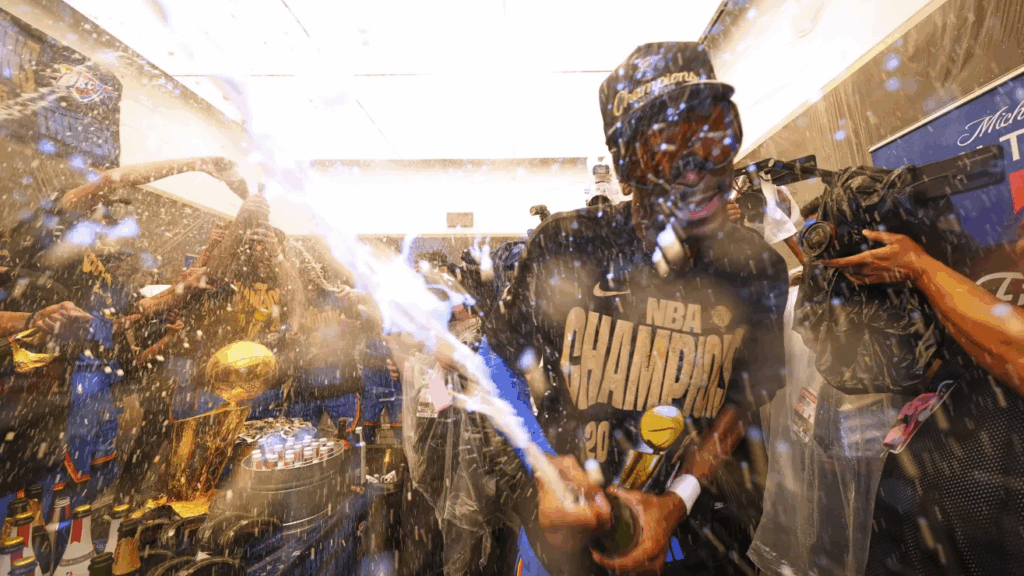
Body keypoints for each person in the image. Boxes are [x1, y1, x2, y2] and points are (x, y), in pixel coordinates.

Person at [464, 42, 788, 575]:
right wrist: (538, 466)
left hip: (699, 543)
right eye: (663, 150)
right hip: (566, 546)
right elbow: (496, 365)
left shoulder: (756, 270)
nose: (697, 171)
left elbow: (747, 397)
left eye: (712, 135)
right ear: (623, 169)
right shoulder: (564, 247)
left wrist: (678, 499)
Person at [819, 221, 1024, 575]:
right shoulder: (988, 258)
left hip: (999, 499)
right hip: (931, 470)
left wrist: (920, 266)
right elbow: (939, 353)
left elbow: (1016, 352)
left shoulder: (932, 265)